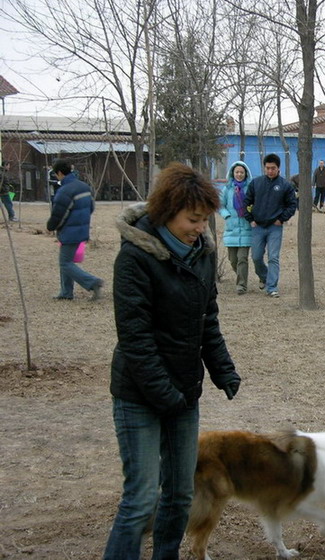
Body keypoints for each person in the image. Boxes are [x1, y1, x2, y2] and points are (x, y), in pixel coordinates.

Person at [104, 162, 241, 560]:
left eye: (205, 220)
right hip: (138, 395)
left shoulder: (201, 255)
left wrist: (223, 369)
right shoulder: (134, 258)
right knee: (142, 498)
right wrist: (165, 394)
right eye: (192, 219)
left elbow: (207, 322)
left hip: (183, 395)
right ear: (167, 212)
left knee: (180, 494)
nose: (200, 228)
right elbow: (135, 339)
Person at [46, 158, 104, 300]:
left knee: (65, 263)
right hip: (82, 230)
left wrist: (51, 226)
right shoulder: (84, 187)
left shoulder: (64, 191)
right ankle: (66, 292)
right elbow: (91, 207)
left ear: (59, 172)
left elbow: (58, 214)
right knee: (67, 260)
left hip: (69, 232)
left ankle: (92, 282)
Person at [243, 153, 298, 298]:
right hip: (257, 227)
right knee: (256, 257)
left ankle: (272, 287)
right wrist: (250, 219)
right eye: (267, 168)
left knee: (273, 257)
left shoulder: (285, 185)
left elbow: (292, 205)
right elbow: (246, 202)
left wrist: (281, 219)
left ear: (278, 168)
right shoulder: (256, 183)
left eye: (273, 168)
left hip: (275, 227)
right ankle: (265, 277)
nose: (270, 171)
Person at [219, 161, 253, 294]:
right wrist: (226, 215)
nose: (239, 174)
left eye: (242, 172)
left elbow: (254, 203)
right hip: (231, 229)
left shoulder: (250, 188)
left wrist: (251, 213)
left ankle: (241, 285)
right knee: (233, 260)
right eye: (237, 172)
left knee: (242, 258)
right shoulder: (227, 189)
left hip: (246, 228)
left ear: (246, 174)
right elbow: (220, 205)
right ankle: (242, 276)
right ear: (233, 173)